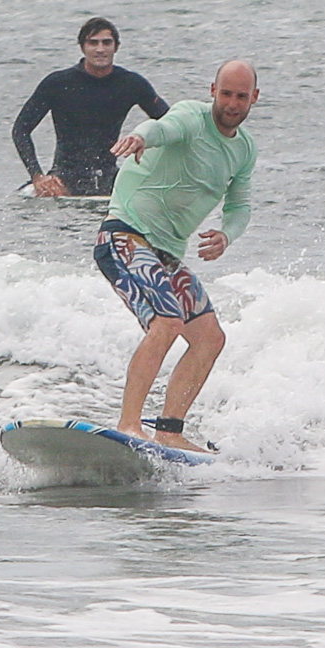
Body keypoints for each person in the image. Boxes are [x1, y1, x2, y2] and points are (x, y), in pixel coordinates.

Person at [93, 60, 260, 452]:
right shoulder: (190, 115)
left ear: (254, 98)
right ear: (212, 90)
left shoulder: (245, 149)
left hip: (165, 253)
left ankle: (169, 429)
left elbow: (240, 206)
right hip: (125, 235)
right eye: (225, 94)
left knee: (210, 338)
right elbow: (161, 128)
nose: (232, 104)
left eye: (241, 96)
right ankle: (130, 424)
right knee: (167, 321)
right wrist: (139, 137)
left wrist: (226, 235)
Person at [12, 17, 170, 197]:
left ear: (116, 47)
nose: (100, 49)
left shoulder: (131, 83)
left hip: (109, 179)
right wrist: (37, 176)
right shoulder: (57, 83)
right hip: (63, 180)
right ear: (82, 47)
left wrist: (144, 140)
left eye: (106, 43)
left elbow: (171, 123)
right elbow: (20, 130)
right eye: (93, 43)